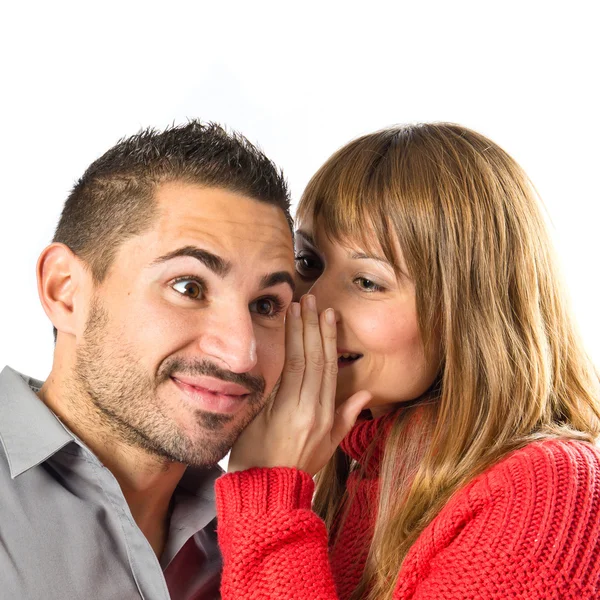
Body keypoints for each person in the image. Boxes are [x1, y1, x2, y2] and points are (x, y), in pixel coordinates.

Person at [214, 123, 600, 599]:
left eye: (368, 282)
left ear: (471, 313)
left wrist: (267, 497)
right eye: (308, 263)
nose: (311, 303)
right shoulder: (346, 472)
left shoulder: (547, 490)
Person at [0, 121, 297, 599]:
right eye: (189, 287)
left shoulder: (263, 538)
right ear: (66, 292)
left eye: (265, 305)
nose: (242, 354)